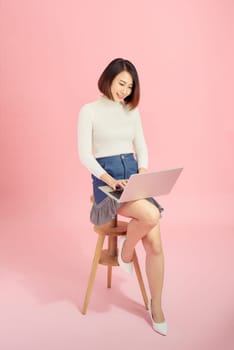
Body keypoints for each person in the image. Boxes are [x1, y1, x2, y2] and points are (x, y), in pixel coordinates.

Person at [78, 58, 167, 336]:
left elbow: (141, 146)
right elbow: (85, 155)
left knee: (154, 240)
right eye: (121, 84)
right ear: (109, 78)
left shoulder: (131, 111)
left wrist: (142, 174)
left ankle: (157, 305)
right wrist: (109, 179)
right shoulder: (89, 111)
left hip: (132, 180)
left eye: (129, 86)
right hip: (106, 184)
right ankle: (127, 252)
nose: (125, 91)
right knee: (152, 216)